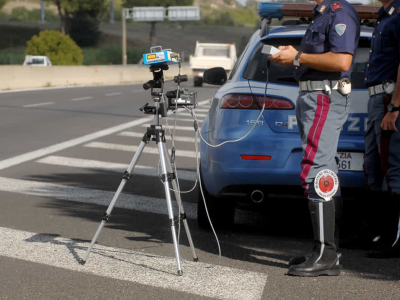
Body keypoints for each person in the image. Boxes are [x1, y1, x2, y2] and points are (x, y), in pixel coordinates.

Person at [269, 0, 360, 276]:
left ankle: (326, 255)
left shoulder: (339, 11)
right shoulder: (323, 13)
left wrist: (297, 57)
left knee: (316, 169)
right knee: (325, 169)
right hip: (314, 95)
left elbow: (342, 60)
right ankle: (326, 251)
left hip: (325, 95)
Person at [363, 0, 400, 258]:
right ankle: (376, 234)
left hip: (389, 100)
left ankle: (395, 239)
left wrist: (395, 107)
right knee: (373, 166)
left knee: (392, 169)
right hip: (376, 98)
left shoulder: (398, 14)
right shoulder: (383, 16)